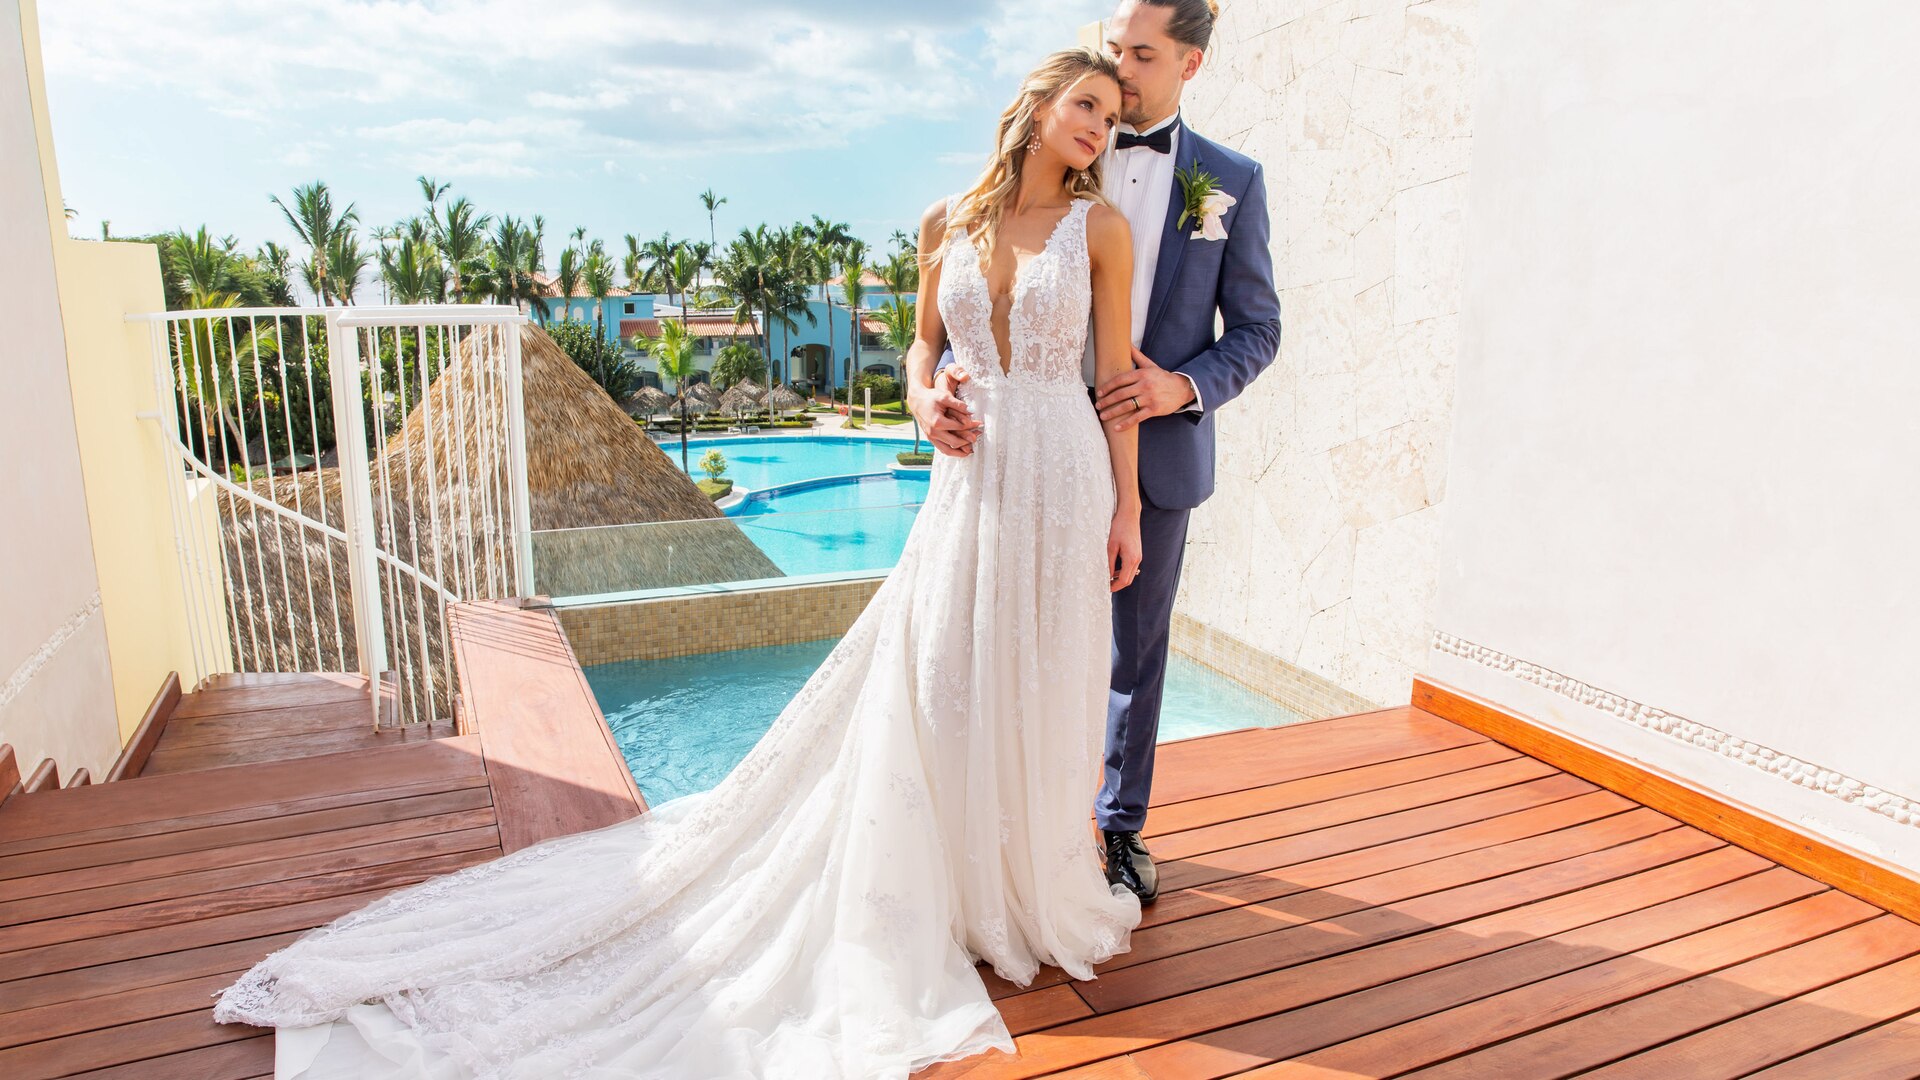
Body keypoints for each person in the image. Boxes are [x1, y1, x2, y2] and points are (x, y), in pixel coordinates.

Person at [213, 47, 1149, 1079]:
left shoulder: (1102, 230)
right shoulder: (946, 224)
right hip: (969, 480)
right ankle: (959, 889)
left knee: (1045, 673)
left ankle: (1024, 888)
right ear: (1038, 104)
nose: (1098, 131)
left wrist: (1130, 510)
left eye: (1111, 119)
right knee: (949, 682)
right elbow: (921, 348)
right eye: (1087, 106)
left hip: (1065, 476)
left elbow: (1113, 378)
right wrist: (923, 402)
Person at [918, 0, 1281, 906]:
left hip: (1139, 447)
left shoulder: (1229, 180)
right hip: (1006, 447)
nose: (1117, 73)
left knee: (1133, 652)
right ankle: (986, 835)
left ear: (1190, 65)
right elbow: (967, 308)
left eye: (1141, 55)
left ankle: (1116, 831)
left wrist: (1180, 387)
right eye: (1111, 51)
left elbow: (1260, 329)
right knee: (981, 639)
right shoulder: (1040, 161)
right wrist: (932, 393)